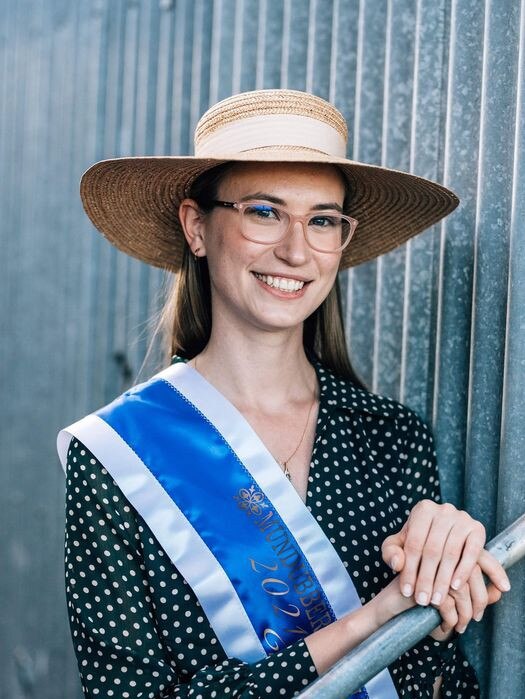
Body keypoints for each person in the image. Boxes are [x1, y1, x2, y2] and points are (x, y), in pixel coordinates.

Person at [58, 89, 510, 699]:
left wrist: (444, 565)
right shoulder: (116, 455)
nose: (297, 251)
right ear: (197, 227)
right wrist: (369, 622)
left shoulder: (390, 437)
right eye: (264, 212)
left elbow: (435, 677)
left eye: (322, 219)